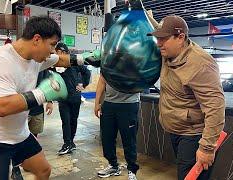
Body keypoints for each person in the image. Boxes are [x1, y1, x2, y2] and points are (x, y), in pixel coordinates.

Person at [0, 15, 97, 180]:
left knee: (43, 170)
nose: (53, 51)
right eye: (52, 45)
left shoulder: (36, 57)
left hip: (20, 134)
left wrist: (88, 58)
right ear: (37, 39)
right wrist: (43, 93)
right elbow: (3, 107)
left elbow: (60, 59)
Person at [147, 13, 225, 180]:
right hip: (176, 130)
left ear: (181, 37)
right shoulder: (169, 51)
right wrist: (145, 13)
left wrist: (207, 148)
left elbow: (215, 107)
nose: (158, 43)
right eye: (158, 38)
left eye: (164, 39)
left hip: (194, 135)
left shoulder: (200, 64)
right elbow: (162, 31)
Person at [94, 75, 140, 180]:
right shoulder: (108, 60)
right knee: (107, 138)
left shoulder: (135, 60)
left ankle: (132, 169)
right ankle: (113, 165)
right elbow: (102, 81)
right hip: (109, 104)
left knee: (129, 139)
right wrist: (97, 103)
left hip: (129, 104)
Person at [11, 70, 54, 180]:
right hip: (21, 110)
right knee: (18, 140)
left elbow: (48, 82)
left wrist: (50, 101)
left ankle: (27, 159)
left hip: (37, 109)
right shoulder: (18, 65)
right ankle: (15, 169)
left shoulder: (41, 64)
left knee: (34, 135)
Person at [55, 43, 91, 155]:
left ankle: (71, 142)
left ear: (66, 53)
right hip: (63, 98)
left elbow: (87, 72)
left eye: (61, 52)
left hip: (75, 97)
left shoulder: (73, 63)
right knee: (65, 121)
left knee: (73, 120)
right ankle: (67, 143)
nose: (58, 55)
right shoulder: (53, 64)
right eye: (57, 52)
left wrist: (83, 85)